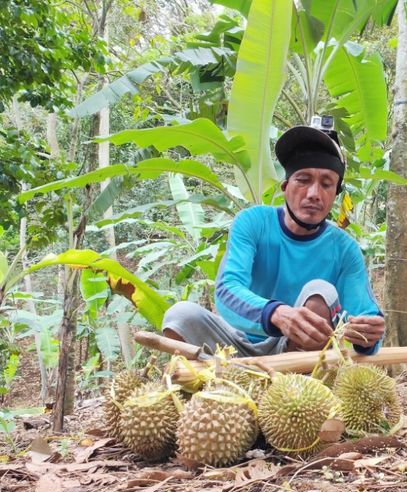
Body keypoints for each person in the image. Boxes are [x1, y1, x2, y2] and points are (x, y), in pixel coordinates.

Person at [162, 120, 385, 357]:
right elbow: (227, 290)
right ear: (285, 187)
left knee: (321, 291)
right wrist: (277, 314)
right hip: (235, 345)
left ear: (334, 195)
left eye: (327, 184)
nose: (313, 194)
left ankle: (298, 387)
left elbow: (365, 315)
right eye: (303, 180)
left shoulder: (344, 249)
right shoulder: (253, 222)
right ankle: (206, 385)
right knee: (180, 316)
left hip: (295, 355)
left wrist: (369, 334)